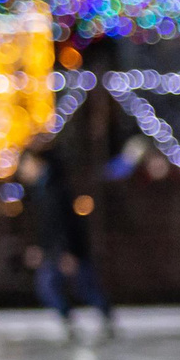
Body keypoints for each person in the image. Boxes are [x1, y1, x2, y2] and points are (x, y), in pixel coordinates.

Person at [18, 144, 115, 342]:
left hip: (69, 250)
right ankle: (71, 322)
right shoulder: (38, 191)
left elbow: (64, 224)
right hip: (55, 251)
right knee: (49, 285)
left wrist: (67, 252)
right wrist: (39, 248)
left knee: (83, 287)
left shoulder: (55, 189)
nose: (23, 170)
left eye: (26, 164)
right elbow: (43, 227)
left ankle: (105, 318)